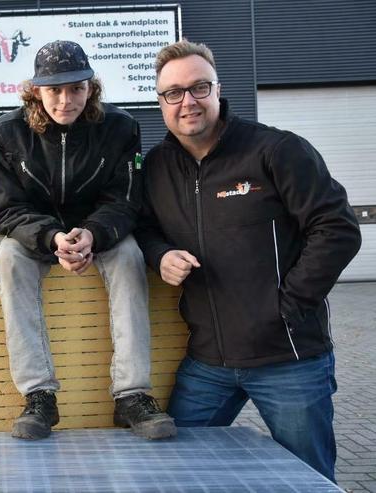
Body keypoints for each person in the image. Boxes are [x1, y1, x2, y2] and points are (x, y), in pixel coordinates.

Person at [138, 39, 361, 482]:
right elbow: (144, 229)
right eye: (173, 93)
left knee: (309, 479)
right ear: (161, 101)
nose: (187, 102)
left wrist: (286, 307)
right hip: (208, 363)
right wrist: (160, 255)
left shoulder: (276, 151)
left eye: (199, 87)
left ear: (218, 90)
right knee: (174, 469)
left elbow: (337, 229)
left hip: (288, 360)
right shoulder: (157, 168)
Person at [0, 40, 175, 441]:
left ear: (91, 87)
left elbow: (125, 200)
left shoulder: (120, 128)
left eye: (76, 88)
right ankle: (38, 395)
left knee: (130, 255)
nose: (65, 100)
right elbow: (5, 209)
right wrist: (53, 237)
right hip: (38, 236)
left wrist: (92, 233)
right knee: (9, 258)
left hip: (100, 232)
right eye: (54, 89)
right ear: (36, 90)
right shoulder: (5, 133)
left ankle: (132, 394)